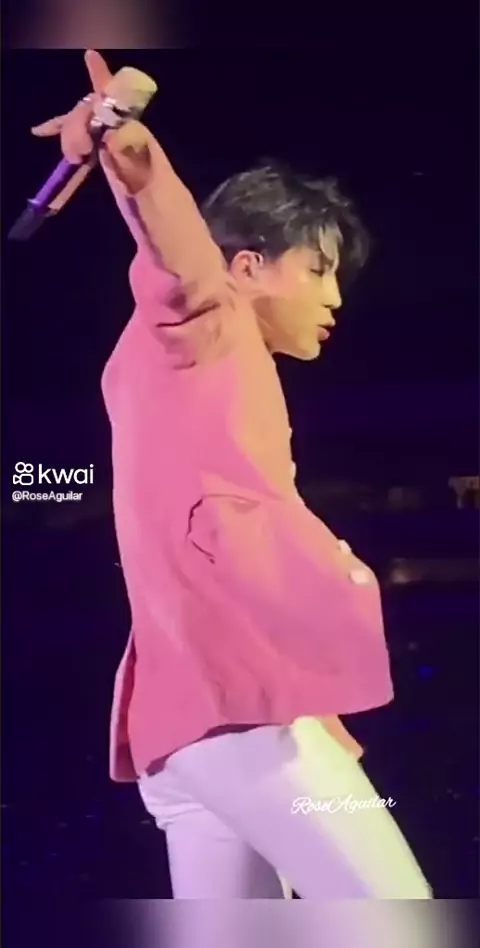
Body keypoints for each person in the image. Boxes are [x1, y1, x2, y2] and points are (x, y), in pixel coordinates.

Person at [32, 50, 432, 901]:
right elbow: (177, 251)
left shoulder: (198, 368)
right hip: (241, 719)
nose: (335, 298)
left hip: (190, 729)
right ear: (246, 267)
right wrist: (130, 151)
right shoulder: (203, 320)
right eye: (318, 269)